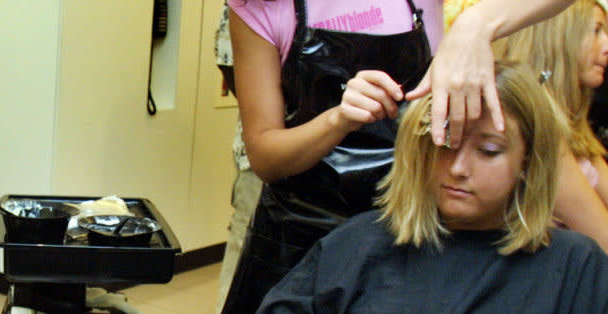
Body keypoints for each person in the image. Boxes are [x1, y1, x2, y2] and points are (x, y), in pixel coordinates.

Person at [221, 0, 577, 312]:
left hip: (411, 226)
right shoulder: (262, 5)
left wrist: (477, 23)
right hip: (298, 232)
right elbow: (265, 154)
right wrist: (337, 120)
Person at [257, 61, 608, 313]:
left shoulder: (575, 266)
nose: (458, 169)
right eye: (445, 143)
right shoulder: (357, 246)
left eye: (488, 151)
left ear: (528, 164)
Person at [492, 0, 608, 252]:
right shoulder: (542, 134)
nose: (607, 45)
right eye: (596, 30)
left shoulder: (574, 130)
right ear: (555, 38)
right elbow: (604, 239)